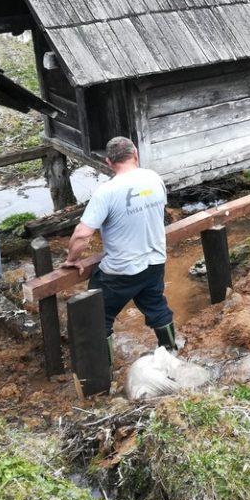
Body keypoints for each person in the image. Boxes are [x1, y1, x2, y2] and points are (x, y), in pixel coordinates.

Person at [64, 136, 175, 361]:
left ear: (108, 162)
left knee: (98, 316)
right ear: (135, 154)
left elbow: (83, 235)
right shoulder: (154, 178)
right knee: (156, 306)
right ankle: (171, 351)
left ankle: (102, 372)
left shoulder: (107, 192)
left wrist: (72, 258)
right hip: (154, 261)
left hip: (121, 270)